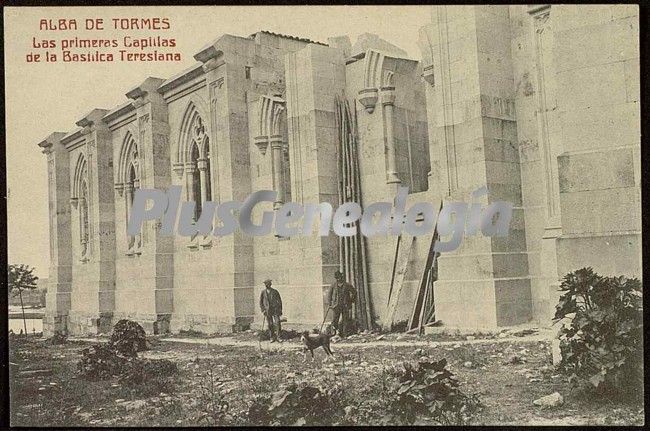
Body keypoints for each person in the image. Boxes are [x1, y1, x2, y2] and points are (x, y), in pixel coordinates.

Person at [327, 270, 356, 337]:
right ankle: (333, 333)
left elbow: (354, 292)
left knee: (345, 320)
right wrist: (330, 304)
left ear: (341, 277)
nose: (339, 279)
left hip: (345, 305)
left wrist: (351, 300)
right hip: (336, 306)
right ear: (336, 278)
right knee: (335, 320)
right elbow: (329, 295)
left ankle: (344, 334)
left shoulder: (347, 285)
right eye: (337, 278)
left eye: (340, 277)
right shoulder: (333, 285)